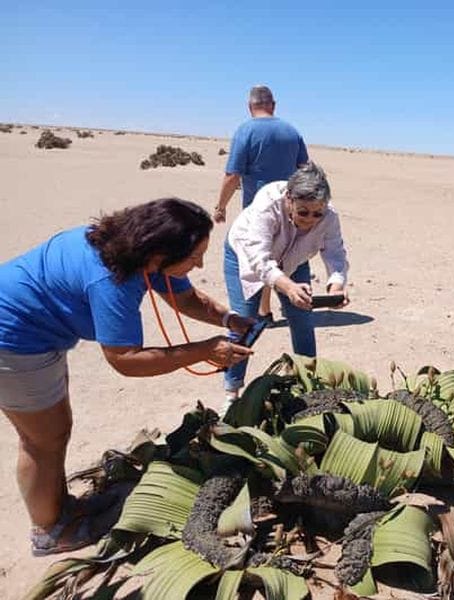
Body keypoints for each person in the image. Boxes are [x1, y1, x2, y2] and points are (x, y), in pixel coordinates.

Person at [0, 198, 253, 556]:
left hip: (35, 335)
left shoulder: (137, 252)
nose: (199, 264)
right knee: (41, 441)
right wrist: (203, 350)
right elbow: (125, 359)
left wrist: (229, 320)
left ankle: (60, 510)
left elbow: (187, 299)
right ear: (157, 256)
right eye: (193, 257)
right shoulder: (111, 279)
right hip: (12, 340)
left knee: (54, 431)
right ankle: (48, 533)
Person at [223, 161, 349, 405]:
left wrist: (336, 285)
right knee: (244, 322)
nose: (310, 219)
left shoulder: (329, 216)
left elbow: (335, 254)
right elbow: (259, 258)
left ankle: (307, 384)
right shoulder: (268, 203)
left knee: (302, 318)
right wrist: (288, 287)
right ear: (289, 199)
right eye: (303, 212)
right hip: (246, 255)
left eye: (317, 213)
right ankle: (232, 393)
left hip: (295, 258)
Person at [213, 84, 309, 320]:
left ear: (250, 106)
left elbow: (232, 175)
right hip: (291, 210)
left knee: (257, 257)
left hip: (257, 209)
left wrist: (220, 206)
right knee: (280, 255)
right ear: (273, 105)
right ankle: (266, 309)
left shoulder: (245, 131)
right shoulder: (292, 131)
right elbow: (304, 169)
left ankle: (261, 310)